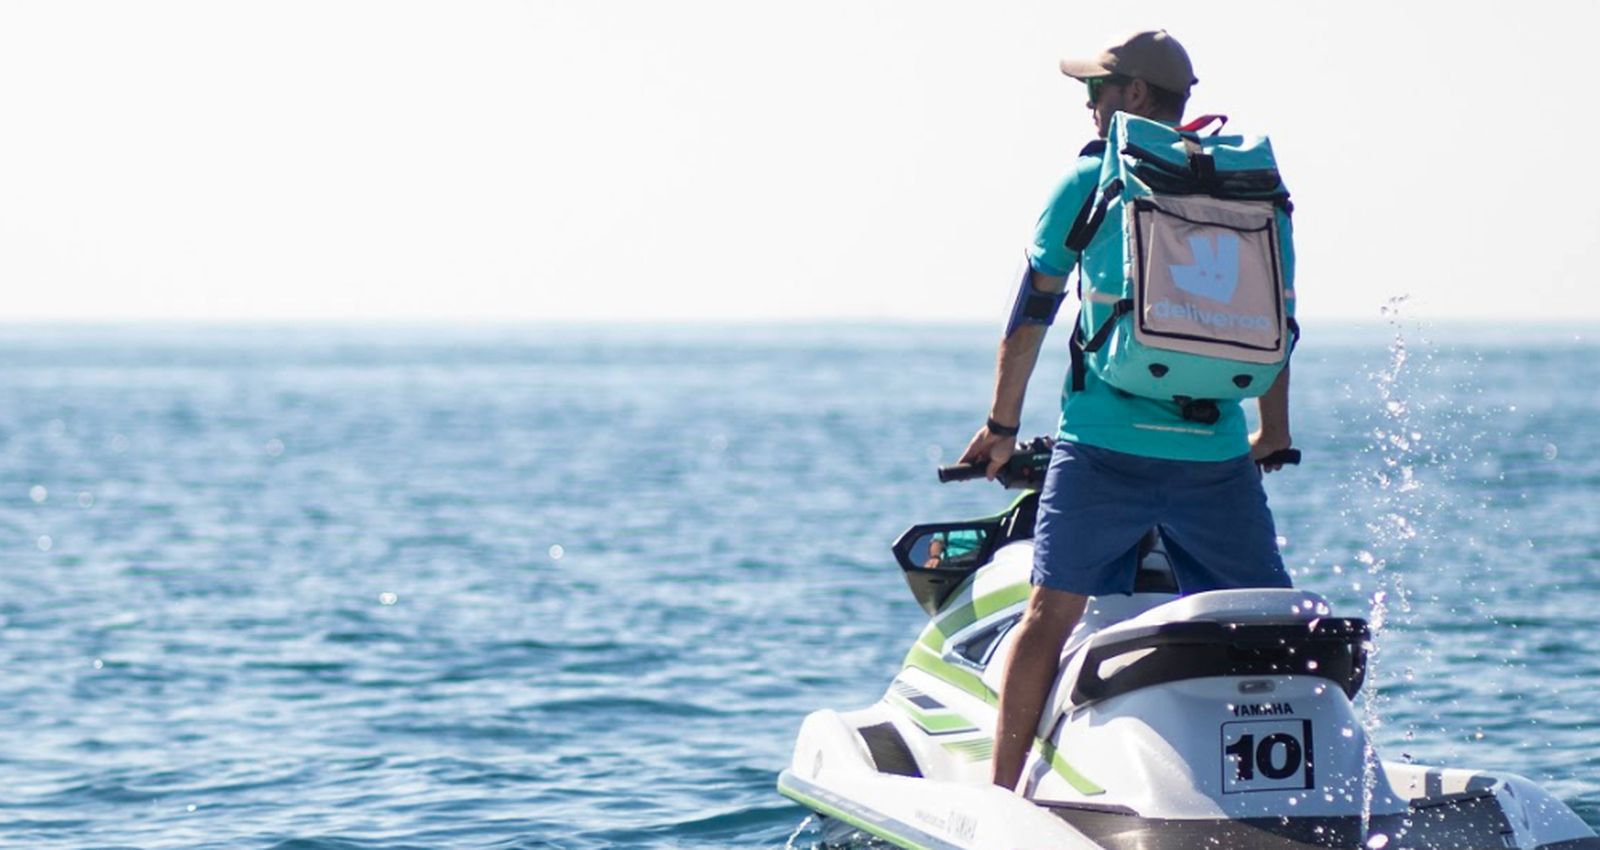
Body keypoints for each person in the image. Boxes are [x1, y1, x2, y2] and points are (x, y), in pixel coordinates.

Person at [957, 29, 1297, 792]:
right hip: (1215, 454)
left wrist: (1001, 430)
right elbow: (1277, 320)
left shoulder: (1090, 181)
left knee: (1048, 617)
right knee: (1270, 625)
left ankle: (1000, 797)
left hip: (1103, 448)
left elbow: (1031, 315)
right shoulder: (1252, 189)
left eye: (1096, 90)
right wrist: (1272, 432)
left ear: (1134, 95)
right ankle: (1280, 784)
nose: (1088, 104)